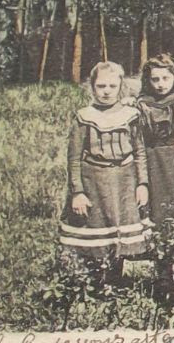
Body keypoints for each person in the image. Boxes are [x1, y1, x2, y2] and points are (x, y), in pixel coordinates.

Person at [59, 61, 149, 282]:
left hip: (124, 180)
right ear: (92, 87)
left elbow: (139, 152)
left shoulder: (131, 115)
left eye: (112, 86)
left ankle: (115, 280)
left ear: (121, 87)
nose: (107, 91)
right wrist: (77, 192)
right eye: (101, 86)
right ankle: (94, 283)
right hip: (94, 181)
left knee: (119, 229)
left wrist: (142, 184)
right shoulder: (84, 116)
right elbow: (74, 158)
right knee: (96, 229)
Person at [135, 54, 174, 293]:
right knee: (154, 212)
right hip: (148, 160)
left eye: (165, 78)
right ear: (148, 81)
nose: (160, 83)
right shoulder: (141, 104)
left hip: (173, 161)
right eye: (155, 79)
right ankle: (161, 271)